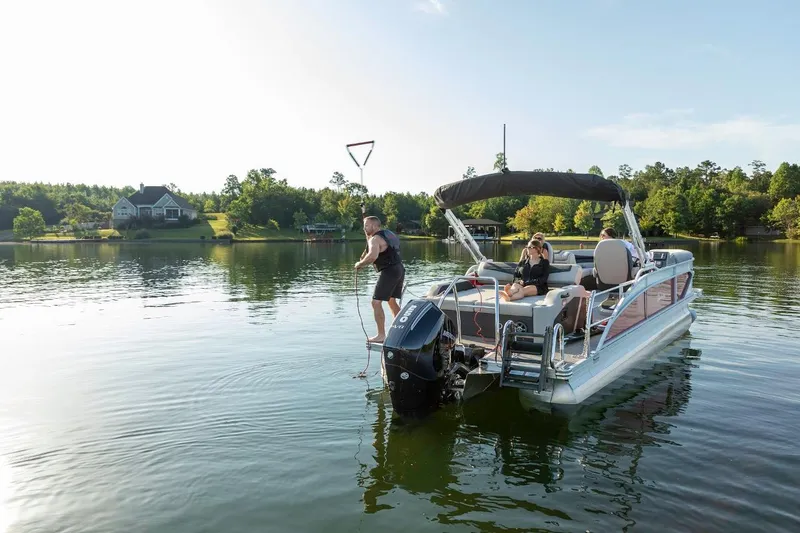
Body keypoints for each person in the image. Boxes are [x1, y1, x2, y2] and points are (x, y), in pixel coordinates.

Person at [354, 216, 405, 343]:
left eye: (367, 225)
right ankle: (401, 329)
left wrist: (359, 264)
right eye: (364, 225)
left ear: (374, 226)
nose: (364, 228)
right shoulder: (389, 234)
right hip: (399, 269)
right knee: (391, 301)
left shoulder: (375, 239)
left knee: (376, 302)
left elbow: (372, 256)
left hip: (389, 271)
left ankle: (381, 335)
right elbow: (380, 250)